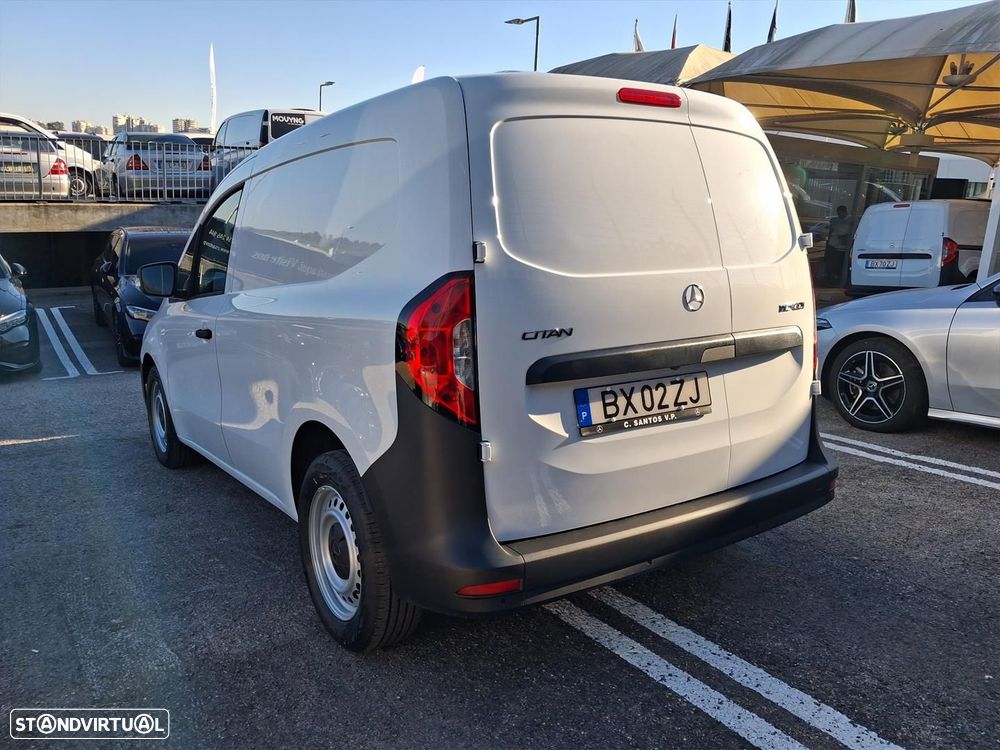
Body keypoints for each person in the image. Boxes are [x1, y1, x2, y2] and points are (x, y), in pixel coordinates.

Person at [826, 205, 852, 286]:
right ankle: (831, 278)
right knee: (832, 263)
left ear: (845, 212)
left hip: (843, 248)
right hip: (833, 245)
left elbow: (852, 233)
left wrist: (844, 237)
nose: (840, 215)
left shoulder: (851, 220)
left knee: (841, 263)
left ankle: (840, 279)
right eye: (838, 213)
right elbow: (831, 231)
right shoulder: (834, 220)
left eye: (841, 213)